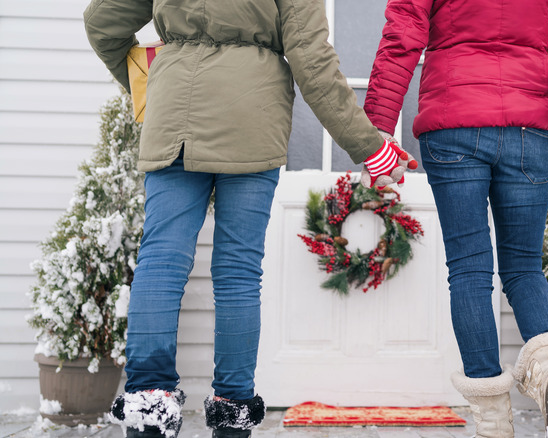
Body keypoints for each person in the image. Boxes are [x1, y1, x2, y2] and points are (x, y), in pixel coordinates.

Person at [83, 0, 412, 436]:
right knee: (238, 272)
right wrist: (371, 147)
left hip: (174, 115)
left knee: (160, 260)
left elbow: (101, 22)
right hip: (253, 117)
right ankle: (232, 414)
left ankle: (148, 408)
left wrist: (150, 82)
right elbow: (311, 62)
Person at [364, 0, 548, 437]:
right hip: (528, 129)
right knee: (523, 269)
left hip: (454, 122)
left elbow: (401, 36)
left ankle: (492, 421)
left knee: (469, 270)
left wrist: (378, 127)